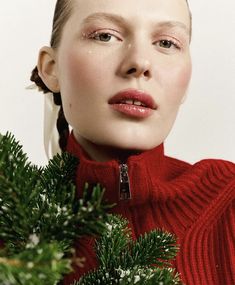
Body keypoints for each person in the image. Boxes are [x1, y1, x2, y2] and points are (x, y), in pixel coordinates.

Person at [31, 0, 235, 284]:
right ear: (51, 68)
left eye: (166, 43)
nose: (139, 62)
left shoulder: (230, 202)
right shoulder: (14, 225)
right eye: (105, 36)